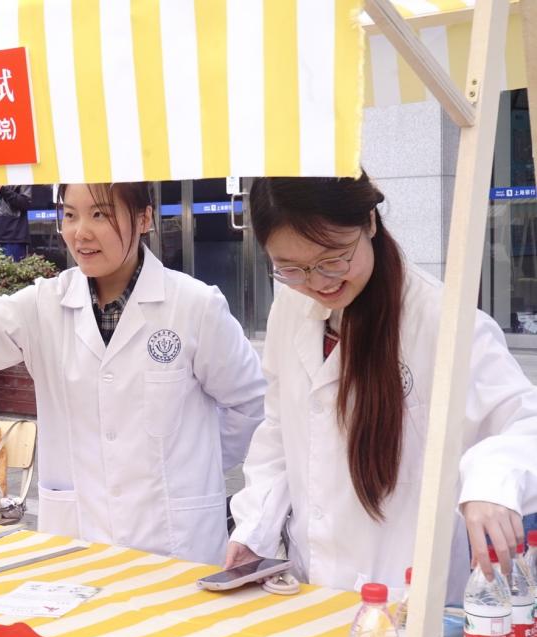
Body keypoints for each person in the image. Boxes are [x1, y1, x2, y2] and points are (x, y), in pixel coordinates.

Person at [0, 182, 265, 564]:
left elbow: (251, 404)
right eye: (69, 215)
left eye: (100, 214)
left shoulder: (195, 306)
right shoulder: (45, 305)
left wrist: (191, 464)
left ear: (144, 218)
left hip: (177, 543)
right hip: (78, 539)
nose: (81, 232)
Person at [227, 173, 537, 602]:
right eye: (291, 268)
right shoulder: (291, 306)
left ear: (370, 222)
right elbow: (280, 431)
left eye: (333, 258)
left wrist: (492, 479)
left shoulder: (442, 320)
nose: (318, 282)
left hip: (403, 594)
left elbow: (525, 422)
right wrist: (253, 530)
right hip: (307, 587)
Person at [0, 185, 31, 261]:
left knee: (13, 267)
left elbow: (25, 203)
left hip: (13, 236)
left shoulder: (22, 178)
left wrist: (1, 188)